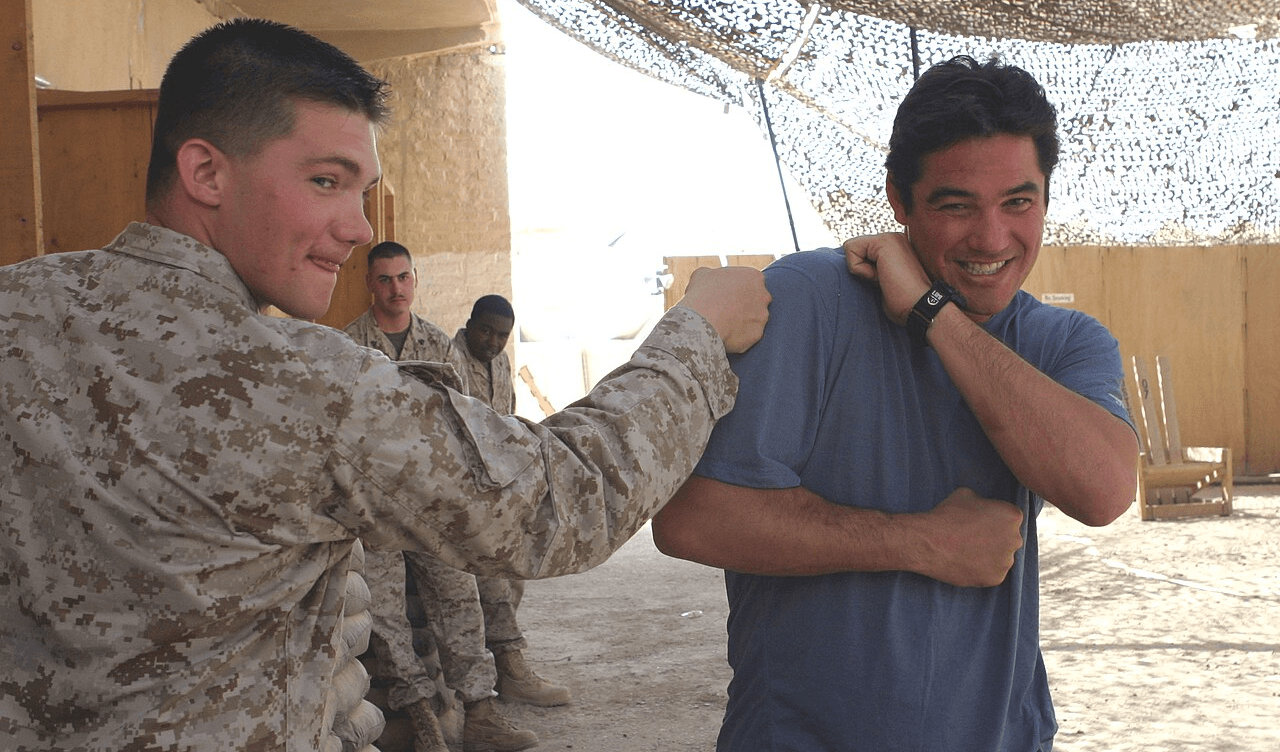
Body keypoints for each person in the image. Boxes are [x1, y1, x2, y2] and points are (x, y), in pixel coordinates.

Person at [0, 18, 770, 752]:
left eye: (362, 192)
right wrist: (699, 332)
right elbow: (564, 500)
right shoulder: (301, 380)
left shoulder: (16, 309)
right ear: (205, 171)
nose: (362, 227)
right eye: (327, 181)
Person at [652, 55, 1138, 752]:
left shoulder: (1064, 342)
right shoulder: (808, 301)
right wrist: (924, 542)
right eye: (956, 204)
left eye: (1018, 203)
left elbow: (1103, 490)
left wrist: (933, 313)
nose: (992, 238)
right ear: (899, 203)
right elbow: (691, 521)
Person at [344, 245, 540, 752]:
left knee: (460, 598)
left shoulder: (437, 343)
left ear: (415, 279)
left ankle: (480, 711)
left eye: (403, 277)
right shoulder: (348, 344)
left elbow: (462, 418)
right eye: (384, 279)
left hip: (432, 501)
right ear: (371, 283)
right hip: (378, 504)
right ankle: (420, 715)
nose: (395, 288)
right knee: (384, 614)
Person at [450, 295, 571, 709]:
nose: (492, 341)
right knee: (489, 577)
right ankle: (507, 666)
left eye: (502, 335)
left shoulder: (501, 363)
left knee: (514, 571)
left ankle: (502, 666)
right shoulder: (450, 360)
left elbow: (506, 419)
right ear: (469, 325)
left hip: (497, 487)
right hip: (460, 488)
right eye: (485, 331)